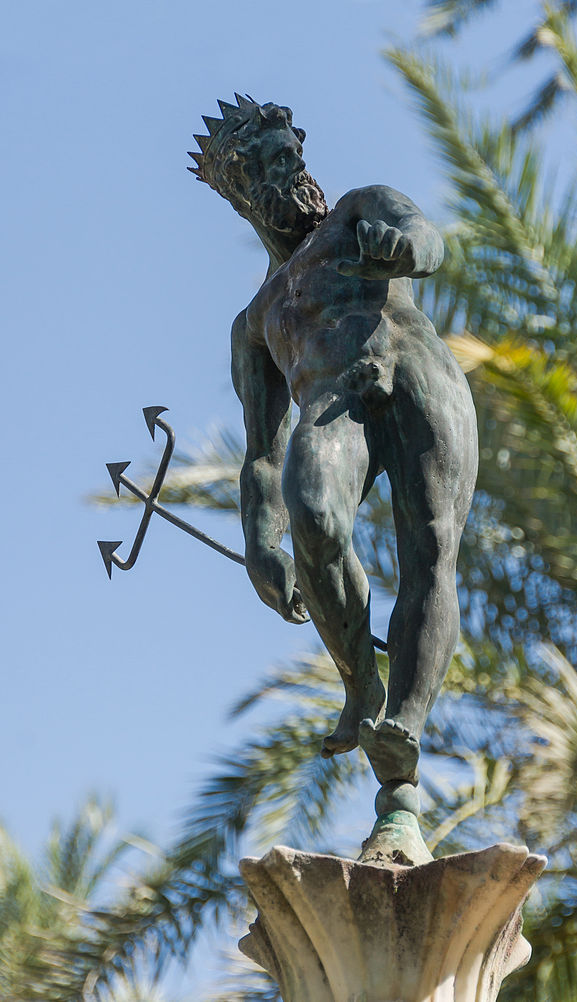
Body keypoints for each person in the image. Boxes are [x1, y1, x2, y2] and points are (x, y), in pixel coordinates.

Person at [189, 95, 478, 786]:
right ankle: (361, 683)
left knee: (431, 546)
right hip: (334, 403)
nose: (293, 175)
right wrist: (262, 543)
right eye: (271, 168)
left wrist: (404, 250)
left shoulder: (356, 211)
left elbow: (426, 241)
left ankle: (405, 716)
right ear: (243, 195)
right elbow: (261, 450)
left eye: (293, 157)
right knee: (312, 511)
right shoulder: (256, 320)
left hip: (416, 374)